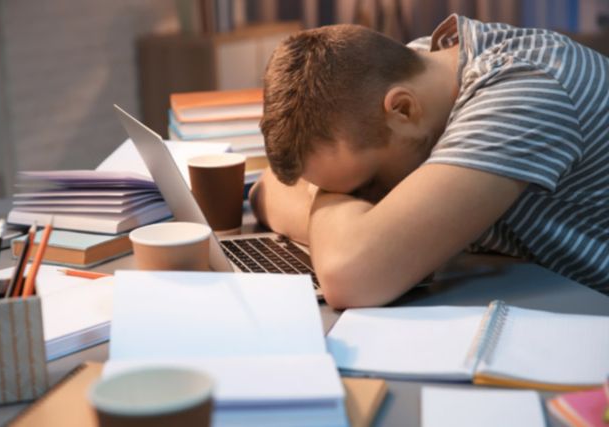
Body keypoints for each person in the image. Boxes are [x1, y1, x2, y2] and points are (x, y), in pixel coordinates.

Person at [249, 14, 609, 308]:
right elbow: (266, 190)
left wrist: (332, 209)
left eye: (367, 184)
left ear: (402, 108)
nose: (368, 198)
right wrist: (348, 218)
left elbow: (350, 276)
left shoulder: (525, 92)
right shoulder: (414, 66)